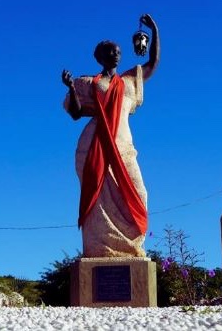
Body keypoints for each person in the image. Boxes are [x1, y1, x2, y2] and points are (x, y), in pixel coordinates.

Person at [62, 14, 160, 258]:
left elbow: (153, 61)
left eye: (118, 51)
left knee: (140, 193)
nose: (116, 54)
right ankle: (99, 249)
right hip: (94, 147)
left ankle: (131, 247)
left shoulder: (128, 81)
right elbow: (75, 113)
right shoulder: (88, 82)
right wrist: (72, 89)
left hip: (123, 146)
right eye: (110, 52)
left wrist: (155, 30)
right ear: (100, 57)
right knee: (97, 202)